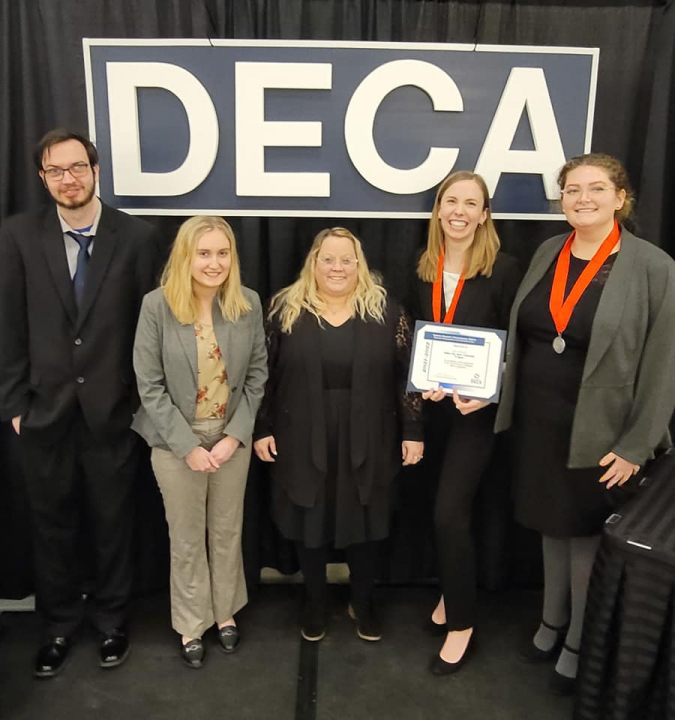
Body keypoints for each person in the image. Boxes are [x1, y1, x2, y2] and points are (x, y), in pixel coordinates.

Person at [495, 153, 675, 695]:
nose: (583, 199)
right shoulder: (551, 251)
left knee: (582, 536)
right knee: (551, 524)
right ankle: (551, 621)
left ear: (621, 198)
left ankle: (578, 638)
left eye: (596, 189)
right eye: (572, 190)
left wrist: (637, 446)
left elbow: (664, 364)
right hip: (539, 421)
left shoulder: (652, 266)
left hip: (601, 429)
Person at [0, 128, 160, 677]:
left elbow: (149, 329)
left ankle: (113, 622)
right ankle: (60, 625)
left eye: (77, 167)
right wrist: (15, 403)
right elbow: (8, 326)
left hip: (113, 413)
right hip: (42, 412)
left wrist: (141, 403)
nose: (68, 179)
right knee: (51, 526)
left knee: (115, 523)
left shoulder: (136, 238)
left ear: (95, 170)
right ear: (44, 179)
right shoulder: (18, 236)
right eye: (55, 171)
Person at [253, 227, 423, 642]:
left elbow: (408, 376)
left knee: (365, 517)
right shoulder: (284, 311)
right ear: (314, 262)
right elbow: (262, 376)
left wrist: (414, 430)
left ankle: (362, 600)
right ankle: (314, 601)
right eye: (328, 258)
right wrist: (261, 428)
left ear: (359, 264)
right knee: (309, 518)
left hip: (373, 433)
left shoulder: (386, 311)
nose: (337, 267)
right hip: (300, 434)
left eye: (347, 259)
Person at [132, 216, 267, 669]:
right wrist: (186, 445)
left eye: (223, 253)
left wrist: (234, 436)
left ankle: (224, 611)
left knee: (227, 531)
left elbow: (256, 376)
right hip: (175, 441)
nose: (214, 263)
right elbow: (148, 385)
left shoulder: (246, 303)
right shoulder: (157, 306)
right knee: (186, 537)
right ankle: (192, 621)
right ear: (185, 256)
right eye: (204, 253)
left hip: (230, 441)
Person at [411, 171, 521, 675]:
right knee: (437, 510)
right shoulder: (420, 269)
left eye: (469, 203)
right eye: (450, 201)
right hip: (431, 410)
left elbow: (519, 349)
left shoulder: (505, 271)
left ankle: (463, 623)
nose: (458, 211)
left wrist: (490, 389)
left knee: (448, 513)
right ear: (437, 210)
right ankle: (450, 593)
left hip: (476, 417)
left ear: (484, 214)